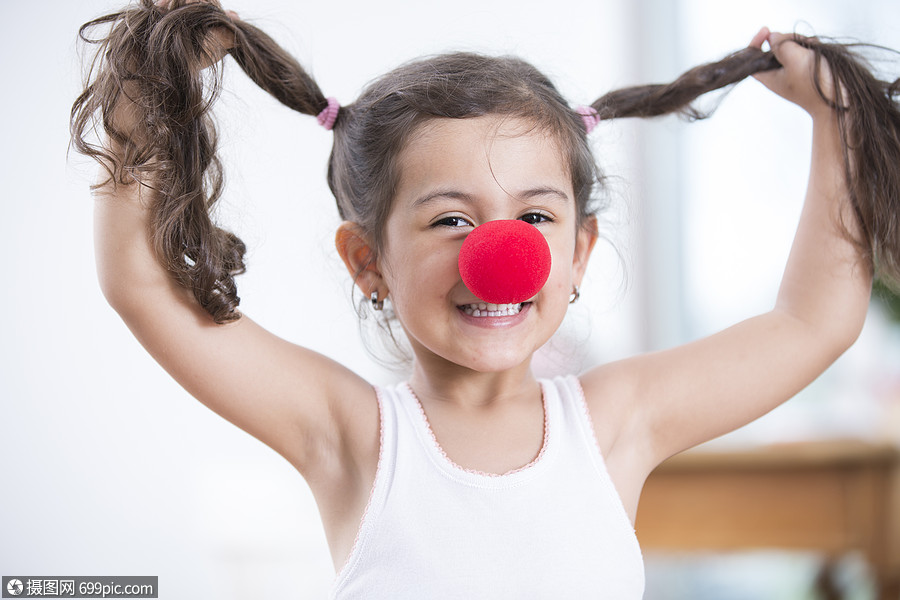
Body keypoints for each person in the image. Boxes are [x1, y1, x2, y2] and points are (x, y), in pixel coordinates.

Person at [70, 1, 900, 597]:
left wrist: (839, 121)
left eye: (535, 217)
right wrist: (146, 94)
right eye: (451, 220)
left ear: (576, 253)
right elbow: (142, 285)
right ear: (369, 262)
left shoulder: (616, 420)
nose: (501, 255)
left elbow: (811, 323)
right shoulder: (353, 433)